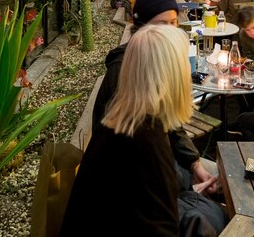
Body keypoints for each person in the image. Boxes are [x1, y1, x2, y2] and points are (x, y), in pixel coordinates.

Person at [63, 25, 225, 236]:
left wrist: (190, 190)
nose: (189, 69)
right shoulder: (146, 140)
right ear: (170, 75)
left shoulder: (124, 120)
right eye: (184, 62)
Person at [92, 0, 223, 214]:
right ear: (144, 27)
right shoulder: (126, 72)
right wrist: (189, 190)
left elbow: (169, 124)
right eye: (164, 25)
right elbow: (132, 170)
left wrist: (194, 162)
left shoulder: (147, 65)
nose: (173, 30)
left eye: (174, 23)